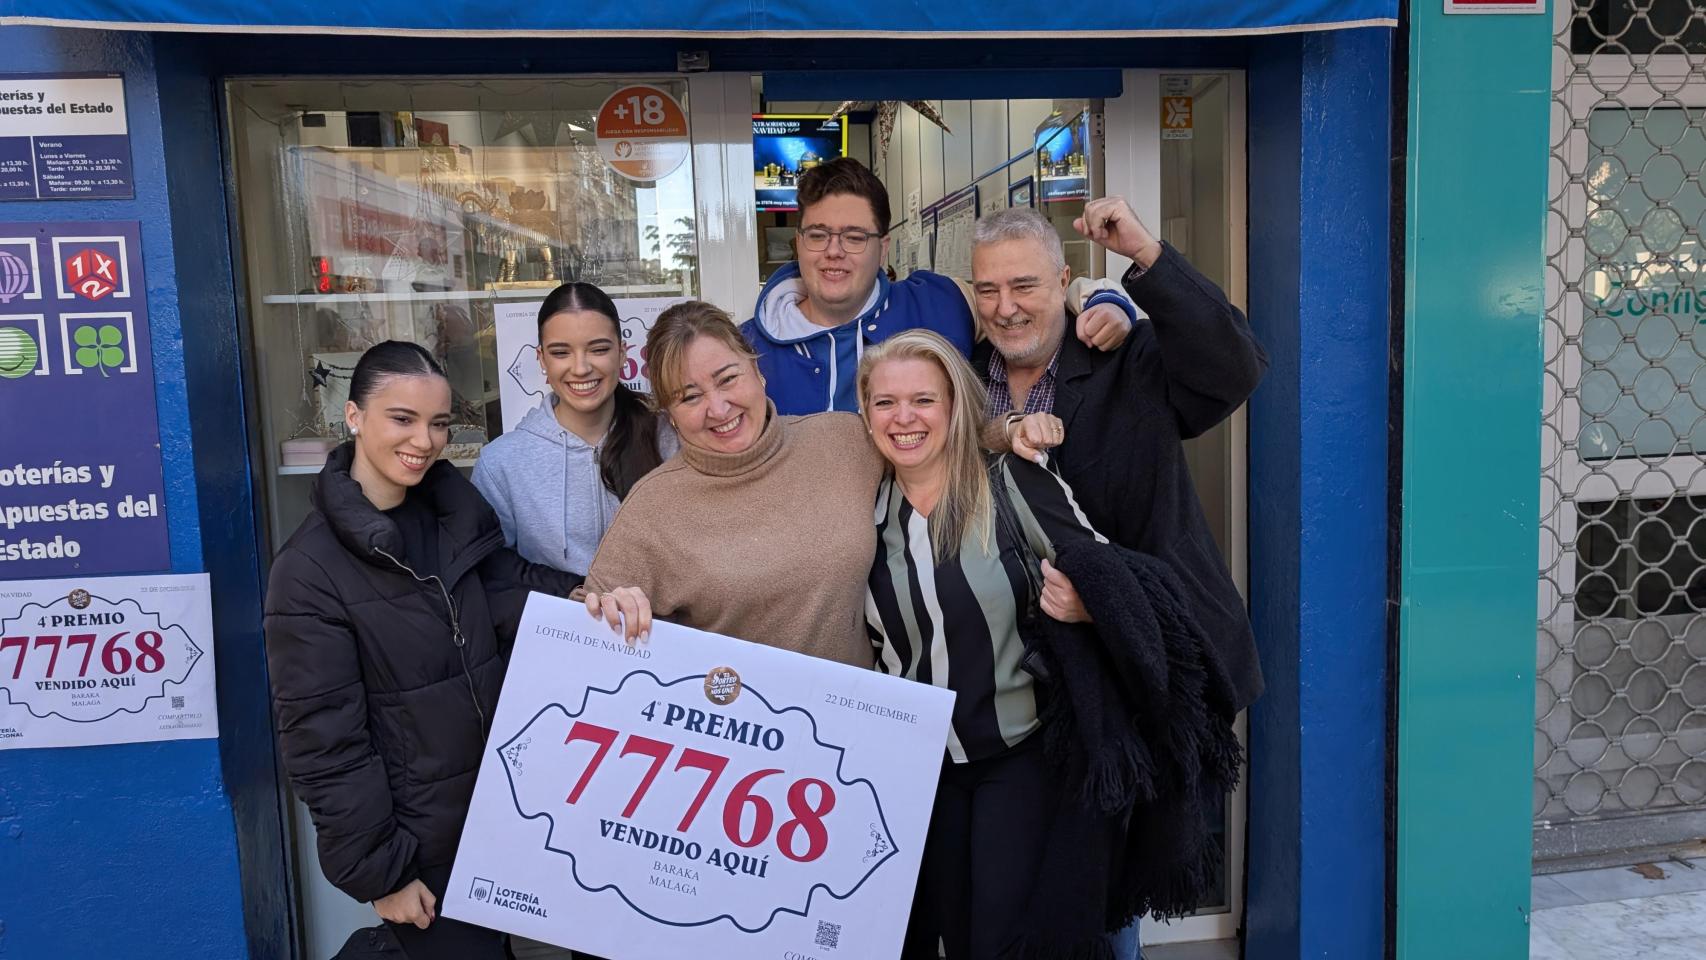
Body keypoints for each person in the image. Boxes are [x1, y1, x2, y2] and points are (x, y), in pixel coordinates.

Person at [860, 329, 1237, 959]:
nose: (904, 418)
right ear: (865, 413)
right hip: (919, 769)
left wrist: (1092, 607)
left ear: (956, 407)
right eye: (885, 402)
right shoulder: (863, 507)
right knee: (939, 933)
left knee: (1007, 941)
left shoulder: (1011, 483)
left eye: (923, 400)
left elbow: (1114, 576)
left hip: (1019, 755)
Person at [263, 341, 580, 960]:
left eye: (438, 423)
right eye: (402, 419)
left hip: (504, 812)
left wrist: (586, 598)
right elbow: (325, 744)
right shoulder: (306, 573)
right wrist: (381, 873)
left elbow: (505, 588)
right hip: (422, 848)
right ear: (353, 418)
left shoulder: (449, 515)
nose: (425, 441)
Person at [580, 301, 1059, 657]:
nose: (719, 408)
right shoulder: (654, 507)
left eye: (728, 379)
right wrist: (615, 608)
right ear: (668, 414)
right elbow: (581, 629)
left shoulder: (842, 441)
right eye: (690, 396)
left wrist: (1010, 429)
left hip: (857, 734)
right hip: (734, 752)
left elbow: (933, 438)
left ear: (757, 370)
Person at [971, 201, 1268, 714]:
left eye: (1024, 286)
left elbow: (1234, 371)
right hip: (1031, 686)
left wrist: (1144, 254)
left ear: (1063, 279)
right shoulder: (968, 379)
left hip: (1156, 671)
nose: (1005, 307)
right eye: (988, 290)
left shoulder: (1126, 358)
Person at [742, 157, 1140, 415]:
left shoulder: (942, 303)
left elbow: (1024, 295)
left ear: (883, 249)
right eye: (818, 234)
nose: (833, 251)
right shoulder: (745, 354)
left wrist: (1102, 299)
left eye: (853, 237)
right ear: (798, 243)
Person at [472, 281, 679, 576]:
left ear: (623, 353)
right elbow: (496, 577)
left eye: (598, 349)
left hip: (659, 621)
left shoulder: (669, 437)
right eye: (561, 353)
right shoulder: (501, 464)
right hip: (555, 620)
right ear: (541, 359)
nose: (581, 368)